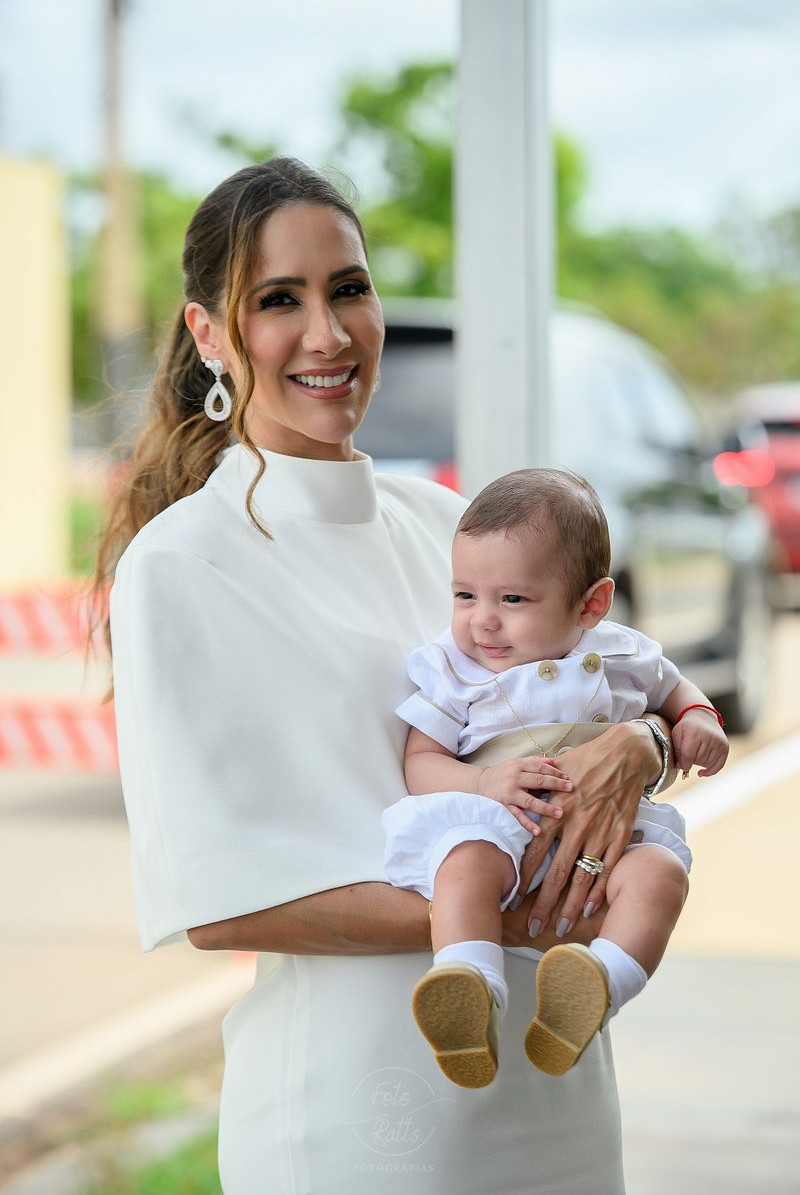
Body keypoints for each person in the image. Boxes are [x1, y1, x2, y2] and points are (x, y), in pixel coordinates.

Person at [98, 155, 675, 1195]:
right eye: (279, 300)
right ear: (210, 335)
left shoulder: (447, 523)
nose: (327, 335)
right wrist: (515, 914)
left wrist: (646, 744)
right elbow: (222, 904)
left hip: (557, 1090)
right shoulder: (182, 565)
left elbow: (595, 693)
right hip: (364, 1118)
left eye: (348, 289)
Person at [383, 468, 728, 1089]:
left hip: (609, 838)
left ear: (591, 604)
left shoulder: (623, 651)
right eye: (465, 595)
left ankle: (598, 985)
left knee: (661, 875)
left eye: (512, 600)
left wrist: (699, 716)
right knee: (464, 864)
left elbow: (675, 687)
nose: (483, 621)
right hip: (500, 822)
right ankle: (469, 984)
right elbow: (420, 763)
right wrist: (484, 784)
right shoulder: (452, 670)